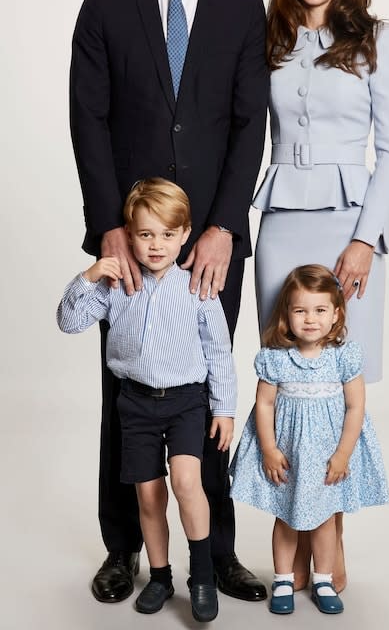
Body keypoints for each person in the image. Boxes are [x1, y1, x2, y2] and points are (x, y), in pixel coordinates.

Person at [69, 0, 268, 603]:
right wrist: (108, 231)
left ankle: (213, 555)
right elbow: (87, 120)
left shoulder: (245, 13)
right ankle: (124, 547)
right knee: (124, 394)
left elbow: (252, 126)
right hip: (132, 242)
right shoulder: (107, 5)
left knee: (209, 394)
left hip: (209, 248)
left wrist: (223, 227)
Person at [253, 0, 389, 591]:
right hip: (282, 221)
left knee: (338, 386)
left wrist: (366, 240)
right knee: (289, 388)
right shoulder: (269, 38)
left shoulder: (377, 38)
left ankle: (331, 541)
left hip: (349, 225)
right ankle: (294, 550)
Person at [58, 178, 237, 621]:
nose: (156, 245)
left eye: (167, 235)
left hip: (186, 403)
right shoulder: (119, 286)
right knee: (149, 495)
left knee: (185, 482)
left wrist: (225, 409)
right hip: (135, 403)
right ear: (130, 234)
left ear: (185, 233)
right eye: (145, 234)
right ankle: (160, 576)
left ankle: (202, 576)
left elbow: (219, 351)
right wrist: (89, 275)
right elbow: (68, 321)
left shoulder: (197, 287)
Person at [230, 265, 389, 615]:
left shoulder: (343, 357)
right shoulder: (275, 358)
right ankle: (284, 578)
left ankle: (323, 578)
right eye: (300, 310)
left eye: (320, 310)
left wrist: (343, 454)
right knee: (285, 517)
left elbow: (355, 406)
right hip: (289, 455)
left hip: (328, 457)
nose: (310, 319)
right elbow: (264, 404)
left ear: (336, 314)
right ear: (287, 314)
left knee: (325, 518)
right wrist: (269, 450)